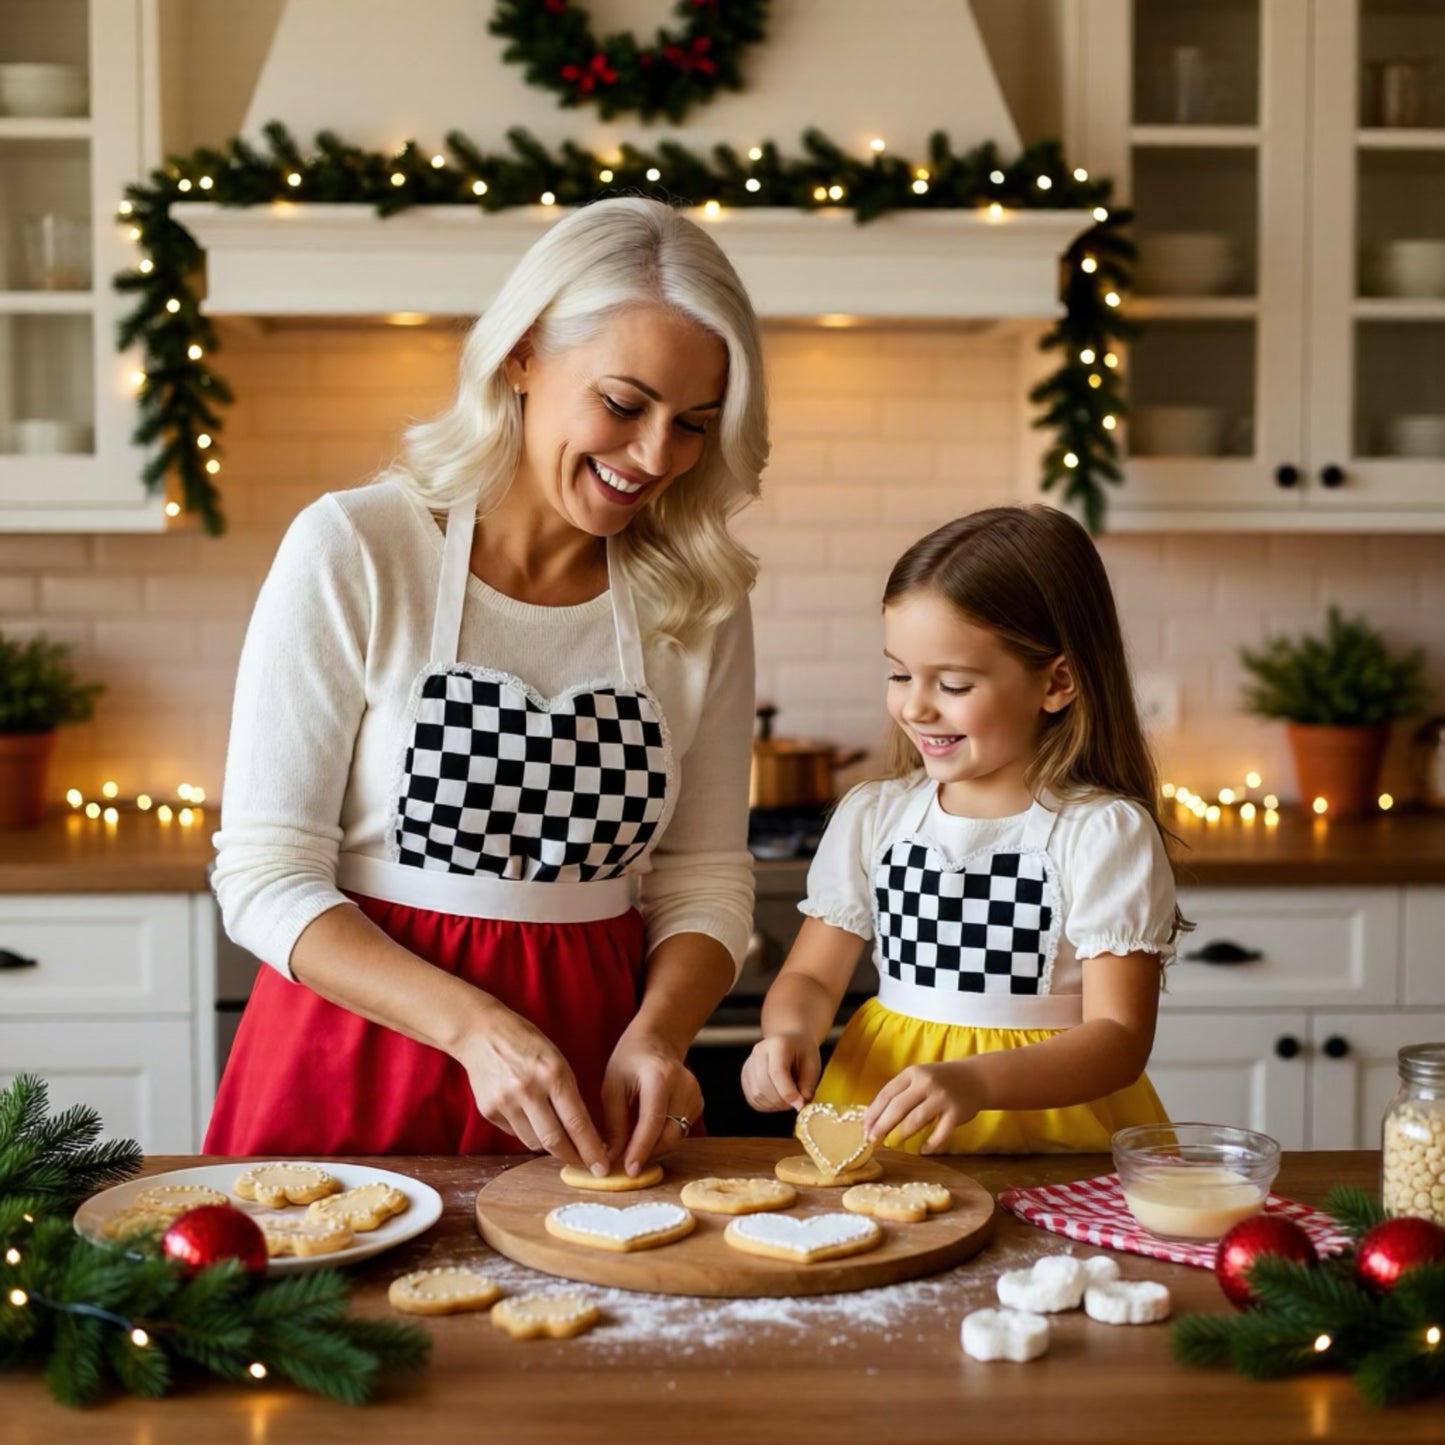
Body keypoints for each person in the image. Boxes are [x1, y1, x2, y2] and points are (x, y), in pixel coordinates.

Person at [206, 197, 768, 1175]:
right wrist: (472, 1028)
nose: (652, 457)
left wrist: (658, 1036)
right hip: (358, 1060)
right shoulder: (359, 547)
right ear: (519, 356)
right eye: (623, 403)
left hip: (589, 1080)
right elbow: (262, 875)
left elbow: (704, 876)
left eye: (693, 425)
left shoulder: (697, 596)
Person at [741, 505, 1187, 1153]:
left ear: (1056, 680)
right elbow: (810, 978)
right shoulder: (875, 816)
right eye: (898, 674)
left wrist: (976, 1080)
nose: (915, 705)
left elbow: (1118, 1036)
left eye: (951, 683)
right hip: (885, 1118)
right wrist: (787, 1033)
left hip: (1048, 1139)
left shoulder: (1099, 834)